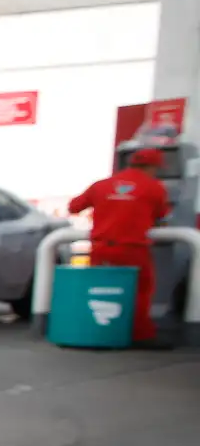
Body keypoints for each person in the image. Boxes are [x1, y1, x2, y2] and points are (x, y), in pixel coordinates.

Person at [69, 146, 171, 344]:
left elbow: (74, 207)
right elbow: (161, 214)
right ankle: (141, 336)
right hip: (133, 249)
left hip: (101, 248)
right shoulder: (154, 187)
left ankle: (100, 333)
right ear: (153, 167)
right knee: (139, 291)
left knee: (100, 288)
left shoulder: (101, 185)